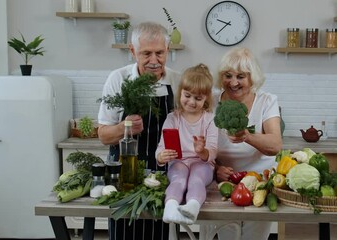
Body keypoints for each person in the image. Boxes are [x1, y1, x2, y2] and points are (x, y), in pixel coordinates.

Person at [97, 22, 180, 240]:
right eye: (146, 53)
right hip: (125, 179)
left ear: (168, 50)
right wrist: (124, 127)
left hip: (164, 180)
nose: (154, 61)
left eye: (160, 53)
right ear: (132, 51)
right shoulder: (118, 79)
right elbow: (103, 135)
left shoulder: (177, 81)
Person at [213, 47, 283, 240]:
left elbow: (276, 144)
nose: (233, 83)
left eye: (241, 76)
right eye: (228, 75)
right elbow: (198, 145)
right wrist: (215, 169)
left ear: (252, 78)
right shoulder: (210, 101)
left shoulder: (267, 101)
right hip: (223, 184)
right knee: (227, 235)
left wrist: (247, 136)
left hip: (259, 184)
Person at [155, 64, 218, 225]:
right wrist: (161, 157)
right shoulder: (172, 118)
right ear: (180, 92)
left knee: (196, 179)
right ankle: (170, 206)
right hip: (179, 162)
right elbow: (161, 148)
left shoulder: (209, 119)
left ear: (206, 99)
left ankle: (192, 207)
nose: (191, 102)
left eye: (198, 98)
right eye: (187, 95)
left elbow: (213, 151)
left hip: (202, 164)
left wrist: (202, 151)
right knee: (178, 179)